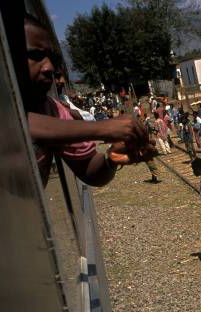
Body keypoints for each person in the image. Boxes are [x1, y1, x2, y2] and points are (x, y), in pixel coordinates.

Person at [24, 14, 151, 187]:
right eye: (35, 55)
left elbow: (89, 172)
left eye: (51, 59)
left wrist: (111, 158)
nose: (50, 68)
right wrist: (101, 128)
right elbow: (13, 122)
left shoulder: (54, 110)